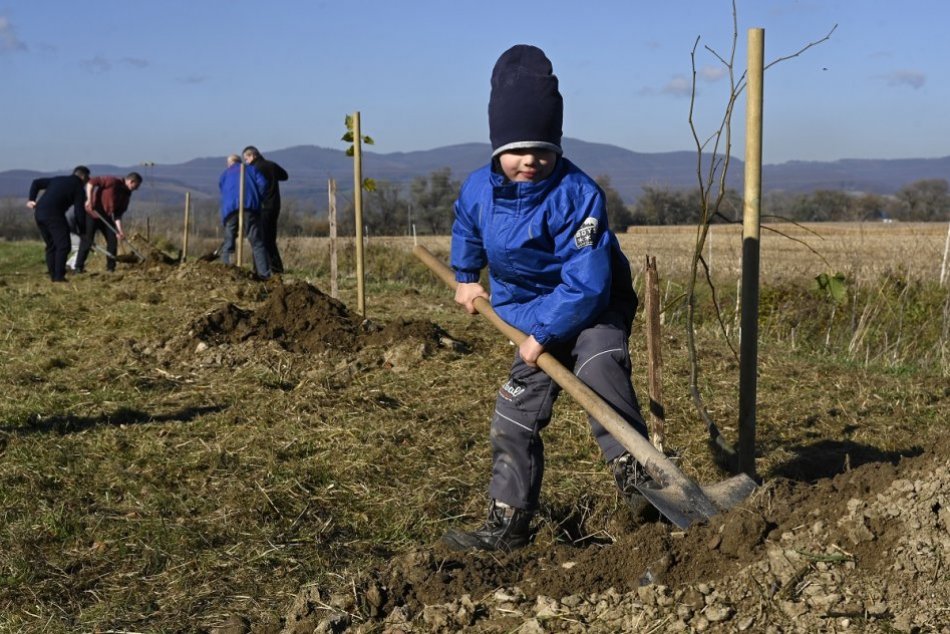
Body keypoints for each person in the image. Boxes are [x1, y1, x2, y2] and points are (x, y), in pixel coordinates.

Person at [442, 45, 652, 552]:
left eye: (542, 148)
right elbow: (467, 228)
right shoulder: (478, 191)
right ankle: (509, 522)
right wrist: (467, 275)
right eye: (516, 150)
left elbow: (586, 283)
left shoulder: (579, 196)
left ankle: (642, 481)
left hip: (593, 306)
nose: (530, 160)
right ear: (497, 150)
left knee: (599, 370)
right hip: (528, 317)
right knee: (513, 412)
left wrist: (542, 335)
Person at [26, 166, 91, 282]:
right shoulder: (78, 188)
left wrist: (31, 199)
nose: (89, 180)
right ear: (83, 176)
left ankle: (53, 276)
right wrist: (82, 231)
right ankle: (59, 277)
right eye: (88, 177)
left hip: (39, 213)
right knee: (64, 245)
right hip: (54, 215)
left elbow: (36, 183)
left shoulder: (58, 179)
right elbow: (79, 212)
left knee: (51, 245)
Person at [74, 171, 142, 272]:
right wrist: (89, 200)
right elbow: (91, 183)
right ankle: (78, 267)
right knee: (87, 241)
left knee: (113, 240)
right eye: (136, 186)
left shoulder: (126, 195)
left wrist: (120, 231)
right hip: (92, 214)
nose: (136, 189)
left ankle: (111, 268)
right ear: (131, 181)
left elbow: (118, 215)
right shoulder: (112, 181)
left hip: (106, 217)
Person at [218, 154, 271, 279]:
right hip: (250, 207)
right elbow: (263, 184)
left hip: (230, 210)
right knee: (257, 242)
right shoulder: (252, 169)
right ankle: (264, 275)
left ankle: (226, 273)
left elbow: (222, 188)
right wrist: (258, 198)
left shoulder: (225, 174)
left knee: (229, 241)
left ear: (229, 163)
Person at [242, 145, 288, 274]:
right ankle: (277, 267)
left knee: (259, 239)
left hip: (262, 207)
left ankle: (260, 269)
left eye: (246, 158)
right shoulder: (271, 165)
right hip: (275, 205)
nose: (246, 162)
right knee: (270, 238)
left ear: (252, 155)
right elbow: (285, 176)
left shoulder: (253, 169)